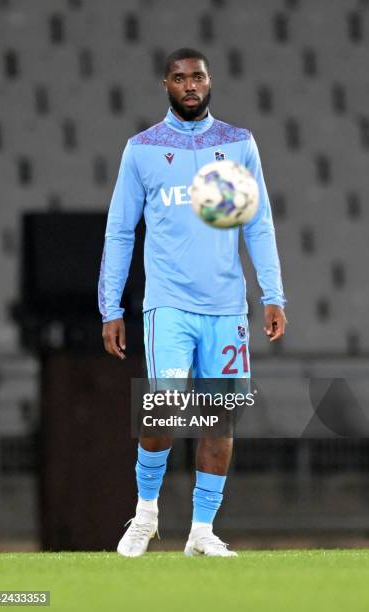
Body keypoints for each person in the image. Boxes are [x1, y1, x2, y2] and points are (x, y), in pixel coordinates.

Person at [98, 47, 287, 557]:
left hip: (227, 306)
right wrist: (110, 306)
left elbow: (258, 222)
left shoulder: (238, 144)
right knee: (164, 412)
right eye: (180, 78)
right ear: (166, 85)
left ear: (209, 81)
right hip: (169, 305)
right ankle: (145, 515)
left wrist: (273, 294)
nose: (190, 85)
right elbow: (120, 231)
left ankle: (201, 532)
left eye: (197, 76)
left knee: (219, 419)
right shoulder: (141, 149)